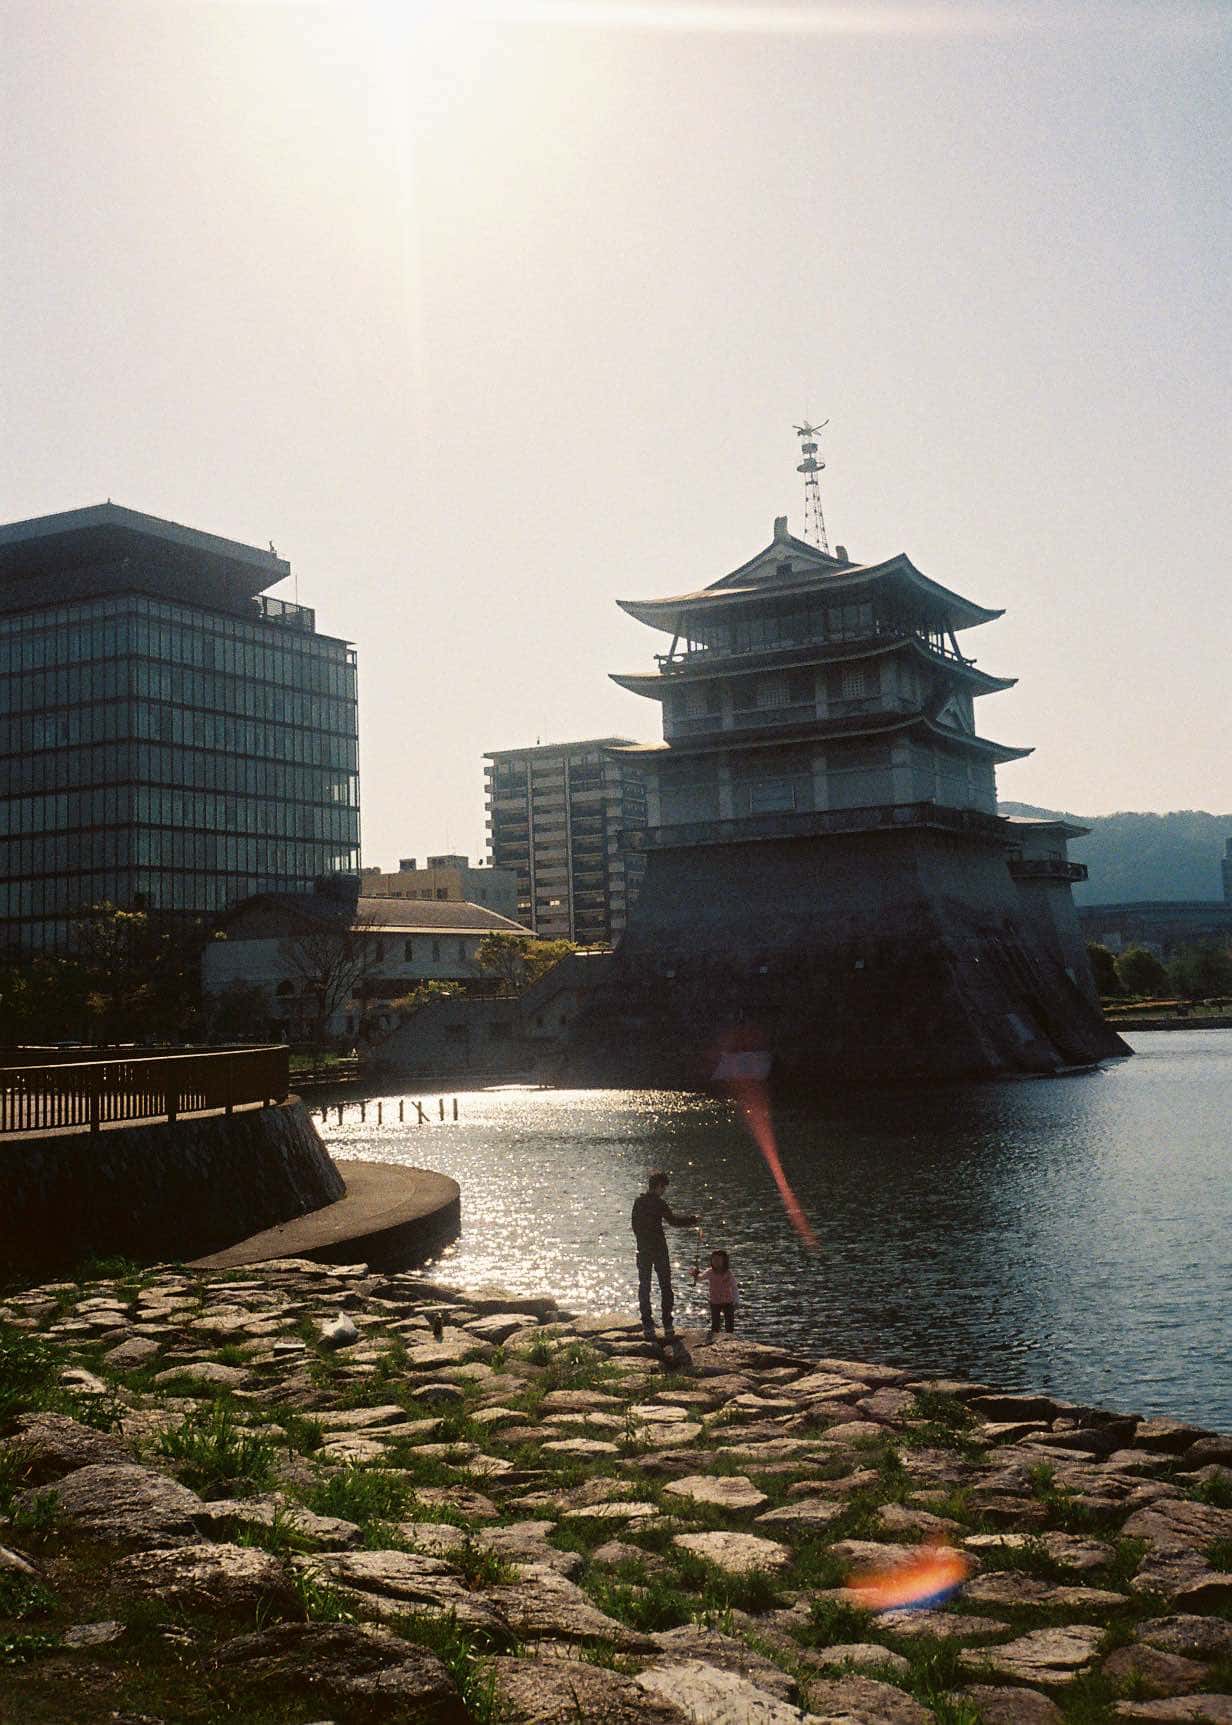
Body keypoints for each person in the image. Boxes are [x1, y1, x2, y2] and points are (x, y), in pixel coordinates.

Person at [631, 1170, 698, 1343]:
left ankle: (647, 1323)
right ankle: (667, 1324)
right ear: (659, 1186)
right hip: (660, 1250)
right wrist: (693, 1220)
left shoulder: (638, 1202)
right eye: (664, 1187)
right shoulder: (659, 1203)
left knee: (644, 1285)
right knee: (665, 1286)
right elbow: (674, 1221)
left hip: (643, 1250)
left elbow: (635, 1226)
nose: (664, 1190)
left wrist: (642, 1242)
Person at [692, 1247, 738, 1334]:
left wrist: (736, 1300)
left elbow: (734, 1287)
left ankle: (730, 1337)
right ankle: (715, 1337)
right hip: (715, 1302)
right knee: (715, 1323)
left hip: (728, 1302)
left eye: (718, 1259)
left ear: (724, 1261)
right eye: (714, 1259)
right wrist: (695, 1273)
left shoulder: (728, 1273)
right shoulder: (710, 1272)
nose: (716, 1261)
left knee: (729, 1323)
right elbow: (699, 1278)